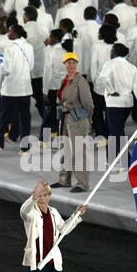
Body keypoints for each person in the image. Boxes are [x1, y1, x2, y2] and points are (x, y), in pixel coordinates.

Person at [51, 52, 94, 193]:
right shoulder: (65, 80)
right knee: (65, 150)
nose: (71, 65)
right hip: (66, 118)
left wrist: (88, 118)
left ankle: (82, 184)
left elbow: (88, 103)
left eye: (73, 62)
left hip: (77, 119)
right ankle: (64, 180)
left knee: (79, 152)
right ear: (64, 64)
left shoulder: (80, 81)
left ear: (77, 64)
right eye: (68, 62)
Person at [99, 43, 137, 159]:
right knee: (116, 129)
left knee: (115, 132)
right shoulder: (132, 67)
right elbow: (136, 89)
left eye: (111, 51)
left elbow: (103, 78)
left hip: (114, 103)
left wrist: (111, 91)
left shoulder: (109, 64)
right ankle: (111, 157)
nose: (110, 53)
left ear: (115, 52)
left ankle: (127, 159)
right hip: (127, 103)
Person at [0, 24, 34, 154]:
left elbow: (6, 69)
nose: (8, 34)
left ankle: (0, 141)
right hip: (25, 88)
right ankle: (24, 147)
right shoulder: (29, 47)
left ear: (15, 34)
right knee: (25, 118)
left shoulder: (9, 48)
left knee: (5, 116)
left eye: (10, 32)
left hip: (10, 89)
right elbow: (32, 66)